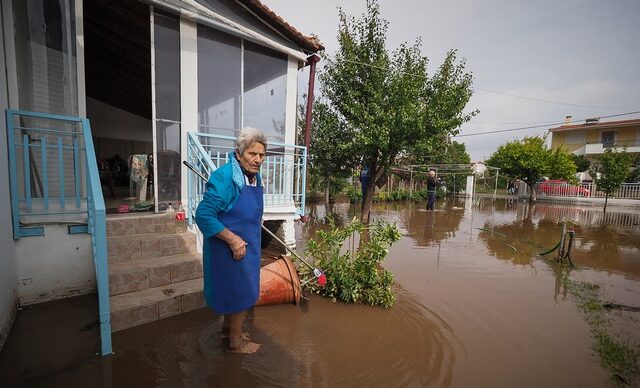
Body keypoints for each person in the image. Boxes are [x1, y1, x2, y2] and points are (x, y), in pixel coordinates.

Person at [195, 127, 266, 354]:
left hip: (248, 245)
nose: (257, 160)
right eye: (252, 154)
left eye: (261, 155)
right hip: (230, 248)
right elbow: (204, 214)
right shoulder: (225, 177)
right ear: (239, 153)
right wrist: (233, 240)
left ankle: (228, 331)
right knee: (239, 293)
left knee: (238, 291)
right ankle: (236, 343)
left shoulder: (252, 176)